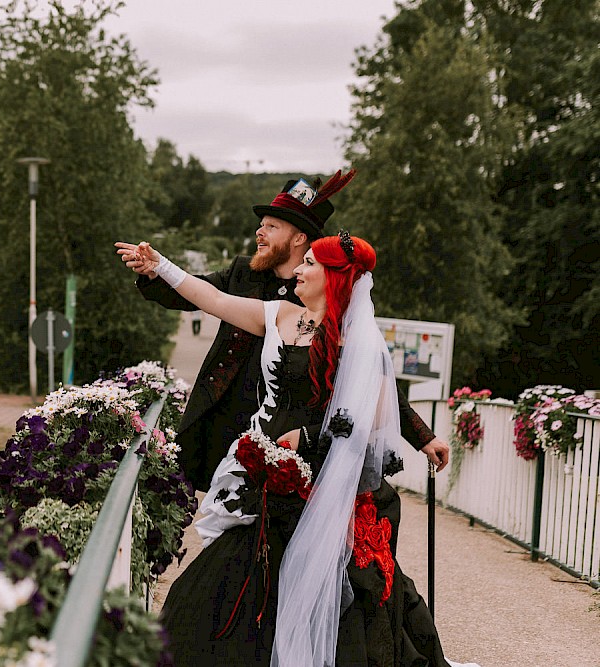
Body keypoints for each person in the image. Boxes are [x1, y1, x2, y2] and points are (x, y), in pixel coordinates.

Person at [117, 232, 476, 666]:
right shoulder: (282, 315)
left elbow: (379, 416)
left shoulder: (356, 340)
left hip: (322, 481)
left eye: (309, 264)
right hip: (264, 473)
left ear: (334, 278)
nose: (299, 271)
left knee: (333, 589)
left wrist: (313, 440)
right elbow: (213, 298)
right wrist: (162, 267)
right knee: (226, 577)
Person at [117, 171, 449, 492]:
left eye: (271, 227)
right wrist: (155, 271)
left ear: (299, 238)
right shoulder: (243, 274)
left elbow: (372, 376)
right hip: (227, 416)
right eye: (261, 225)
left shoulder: (316, 297)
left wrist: (423, 436)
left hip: (287, 436)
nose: (259, 233)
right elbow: (200, 293)